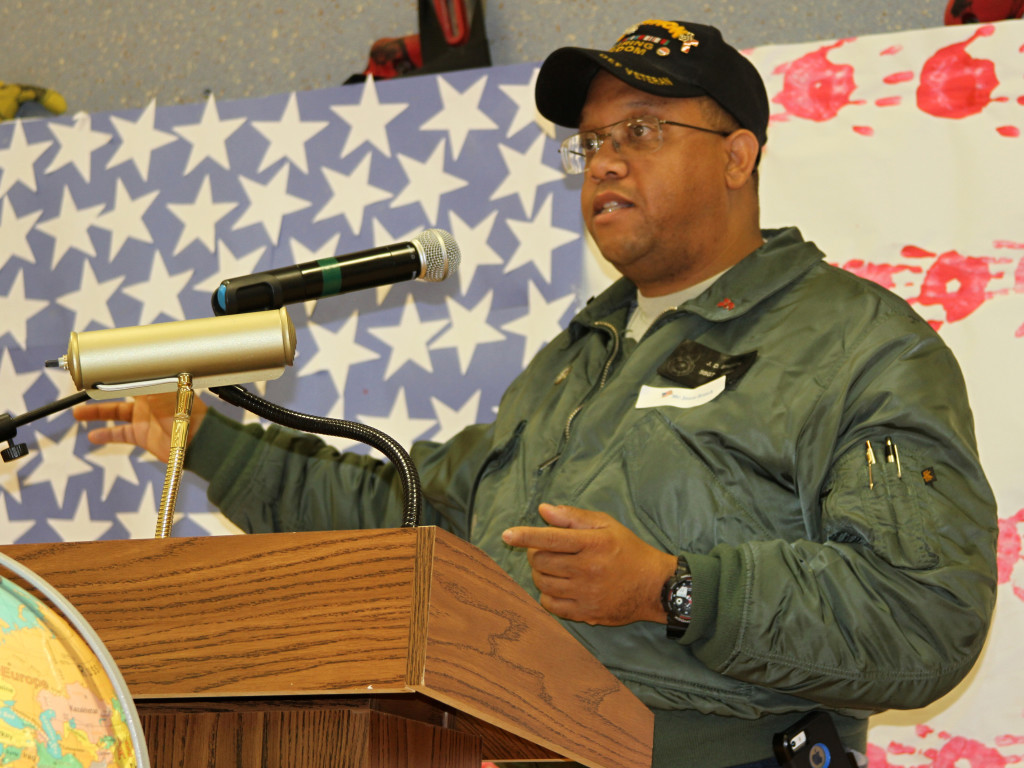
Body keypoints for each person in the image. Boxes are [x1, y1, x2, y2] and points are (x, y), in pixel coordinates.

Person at [74, 19, 998, 768]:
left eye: (641, 131)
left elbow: (925, 618)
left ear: (737, 157)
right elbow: (414, 514)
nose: (602, 162)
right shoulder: (576, 357)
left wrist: (673, 590)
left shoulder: (859, 343)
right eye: (592, 141)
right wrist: (204, 438)